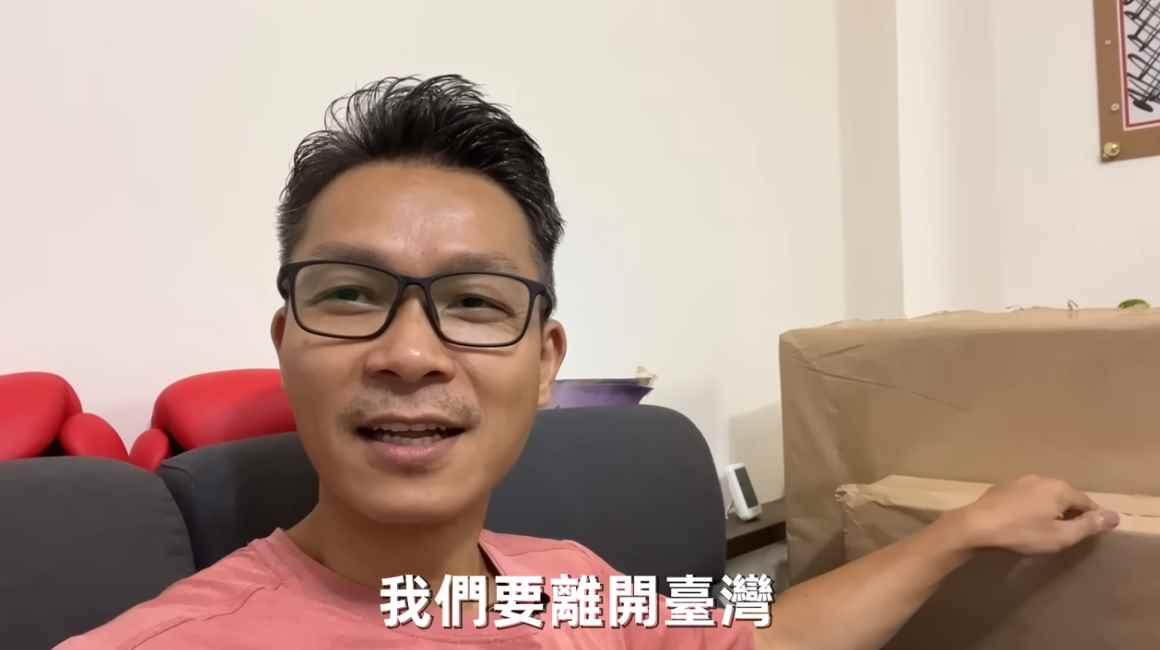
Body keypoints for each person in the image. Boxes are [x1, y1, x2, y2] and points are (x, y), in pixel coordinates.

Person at [58, 75, 1119, 650]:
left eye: (474, 302)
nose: (410, 352)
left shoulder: (565, 582)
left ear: (544, 362)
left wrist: (965, 530)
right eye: (350, 295)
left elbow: (765, 634)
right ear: (286, 343)